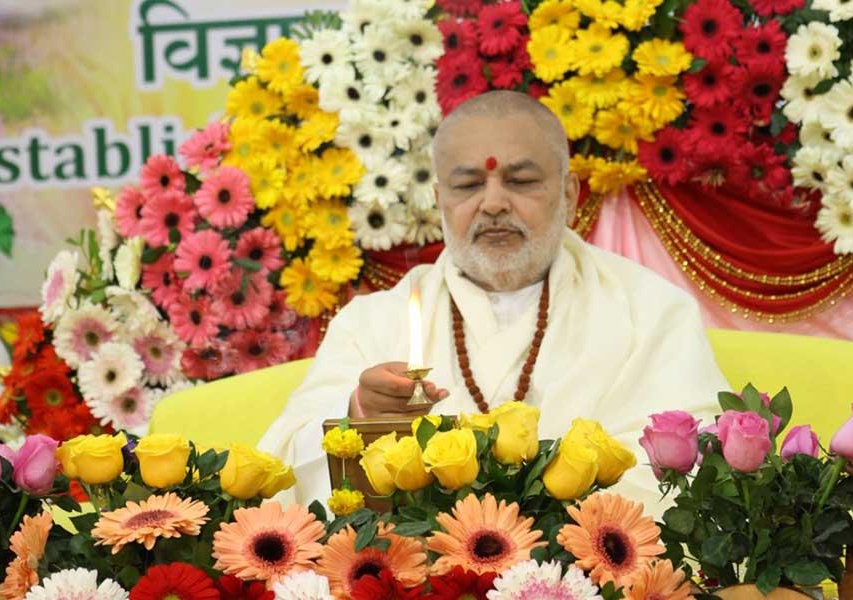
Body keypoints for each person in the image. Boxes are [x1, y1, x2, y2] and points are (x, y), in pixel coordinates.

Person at [260, 91, 728, 513]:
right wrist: (361, 414)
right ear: (440, 199)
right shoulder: (372, 322)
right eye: (467, 186)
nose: (493, 203)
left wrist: (554, 540)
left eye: (521, 180)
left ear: (568, 195)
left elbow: (693, 464)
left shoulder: (650, 310)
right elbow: (286, 459)